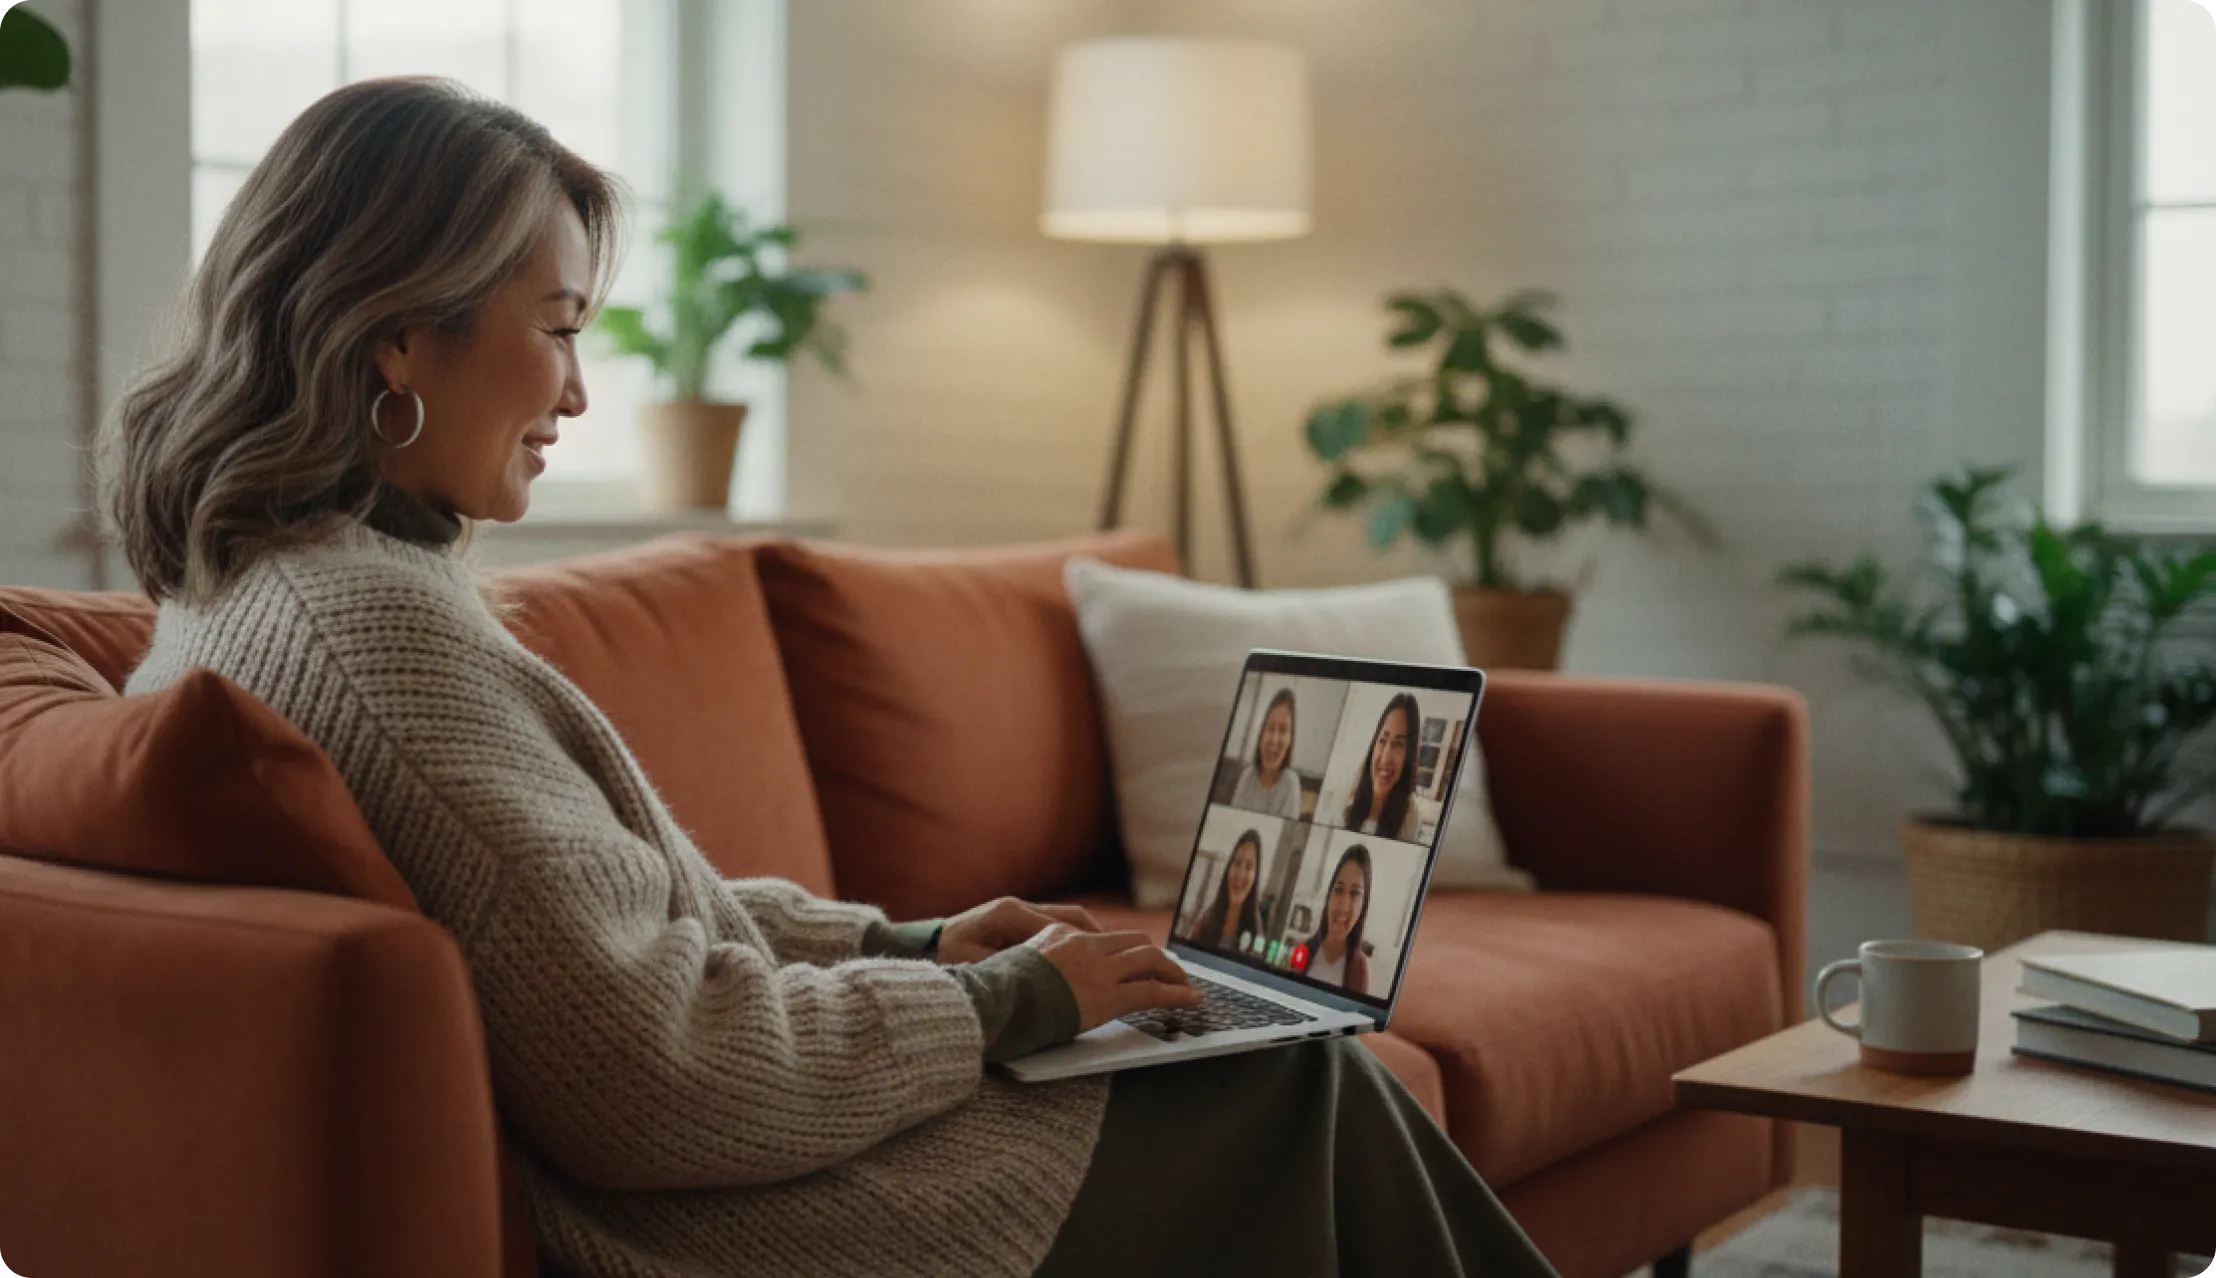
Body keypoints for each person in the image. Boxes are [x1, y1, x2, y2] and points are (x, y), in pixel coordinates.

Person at [108, 78, 1557, 1278]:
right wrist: (1007, 1004)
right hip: (737, 1224)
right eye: (556, 329)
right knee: (1294, 1074)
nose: (578, 392)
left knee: (1272, 1065)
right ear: (396, 332)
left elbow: (621, 933)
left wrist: (914, 944)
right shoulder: (377, 642)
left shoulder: (271, 587)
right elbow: (663, 1070)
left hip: (719, 1179)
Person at [1340, 692, 1422, 841]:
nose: (1385, 757)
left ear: (1409, 756)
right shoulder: (1347, 797)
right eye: (1383, 740)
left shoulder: (1410, 816)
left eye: (1398, 744)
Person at [1299, 846, 1374, 996]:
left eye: (1355, 893)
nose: (1343, 906)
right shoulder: (1303, 950)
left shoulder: (1360, 969)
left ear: (1363, 905)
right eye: (1339, 890)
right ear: (1329, 895)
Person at [1226, 686, 1303, 820]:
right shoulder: (1247, 775)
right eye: (1270, 728)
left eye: (1283, 730)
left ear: (1290, 741)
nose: (1274, 739)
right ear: (1262, 733)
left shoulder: (1291, 784)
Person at [1187, 829, 1266, 954]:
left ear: (1255, 877)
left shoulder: (1257, 937)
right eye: (1237, 863)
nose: (1240, 874)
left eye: (1249, 867)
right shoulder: (1206, 920)